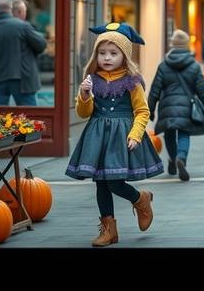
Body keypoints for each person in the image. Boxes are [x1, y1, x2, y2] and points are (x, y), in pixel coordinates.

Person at [66, 22, 162, 247]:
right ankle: (109, 230)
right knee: (100, 182)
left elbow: (142, 111)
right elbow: (84, 113)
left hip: (121, 137)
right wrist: (84, 94)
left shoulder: (132, 81)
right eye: (102, 53)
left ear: (124, 56)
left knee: (114, 182)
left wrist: (136, 134)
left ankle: (141, 199)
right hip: (97, 136)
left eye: (113, 53)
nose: (107, 58)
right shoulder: (92, 79)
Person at [148, 30, 204, 182]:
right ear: (187, 45)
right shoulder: (194, 66)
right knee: (184, 133)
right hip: (187, 107)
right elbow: (202, 91)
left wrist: (150, 110)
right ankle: (181, 158)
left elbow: (155, 90)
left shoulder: (163, 65)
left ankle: (172, 159)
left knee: (169, 134)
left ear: (172, 45)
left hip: (167, 107)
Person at [0, 0, 47, 106]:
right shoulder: (22, 26)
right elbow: (41, 45)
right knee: (28, 116)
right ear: (11, 9)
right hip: (22, 79)